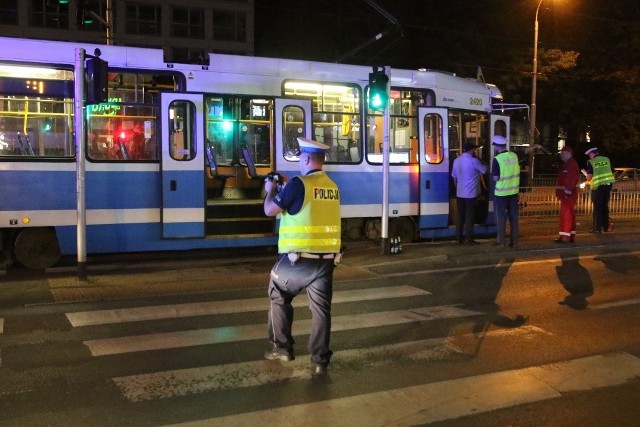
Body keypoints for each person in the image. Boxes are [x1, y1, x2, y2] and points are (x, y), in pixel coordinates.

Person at [263, 137, 342, 375]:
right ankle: (320, 361)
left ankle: (282, 348)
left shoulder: (299, 184)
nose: (299, 161)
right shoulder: (331, 186)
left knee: (277, 293)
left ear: (306, 158)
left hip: (297, 260)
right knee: (321, 310)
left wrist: (271, 191)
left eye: (299, 157)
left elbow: (269, 210)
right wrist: (288, 188)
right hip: (327, 261)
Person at [451, 142, 487, 244]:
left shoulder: (456, 161)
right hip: (471, 194)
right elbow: (485, 170)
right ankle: (469, 238)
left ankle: (458, 237)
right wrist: (479, 158)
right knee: (469, 216)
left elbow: (454, 177)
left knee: (460, 215)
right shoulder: (474, 161)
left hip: (460, 193)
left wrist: (458, 188)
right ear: (471, 150)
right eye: (474, 150)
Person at [491, 135, 520, 247]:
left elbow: (496, 178)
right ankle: (514, 241)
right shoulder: (514, 156)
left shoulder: (497, 159)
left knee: (501, 218)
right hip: (513, 192)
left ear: (497, 146)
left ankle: (501, 241)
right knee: (513, 217)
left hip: (501, 193)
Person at [583, 147, 615, 234]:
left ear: (592, 154)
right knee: (605, 206)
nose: (589, 157)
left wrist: (586, 176)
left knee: (597, 208)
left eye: (589, 155)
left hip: (597, 187)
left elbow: (589, 176)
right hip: (607, 186)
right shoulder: (606, 159)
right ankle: (605, 227)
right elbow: (612, 171)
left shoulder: (591, 162)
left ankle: (597, 229)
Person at [554, 146, 580, 243]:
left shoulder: (570, 165)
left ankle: (565, 236)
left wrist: (567, 190)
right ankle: (570, 235)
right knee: (570, 214)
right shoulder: (570, 164)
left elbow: (570, 178)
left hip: (568, 195)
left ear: (567, 154)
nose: (561, 156)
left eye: (562, 153)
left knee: (566, 215)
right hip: (569, 194)